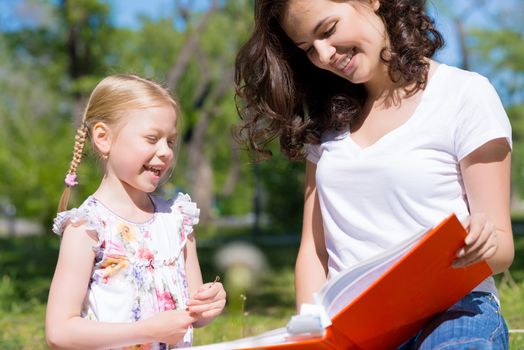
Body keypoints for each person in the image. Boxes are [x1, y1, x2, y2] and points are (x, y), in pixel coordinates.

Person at [234, 0, 514, 348]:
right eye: (307, 48)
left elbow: (502, 248)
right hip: (354, 323)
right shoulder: (327, 128)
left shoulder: (465, 95)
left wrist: (481, 242)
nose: (323, 55)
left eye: (327, 30)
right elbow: (314, 250)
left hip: (451, 311)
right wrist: (309, 330)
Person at [45, 74, 226, 349]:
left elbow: (192, 314)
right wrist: (146, 331)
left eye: (170, 141)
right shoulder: (88, 227)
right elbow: (59, 332)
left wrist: (208, 304)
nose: (165, 151)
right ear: (104, 139)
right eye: (152, 138)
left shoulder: (177, 220)